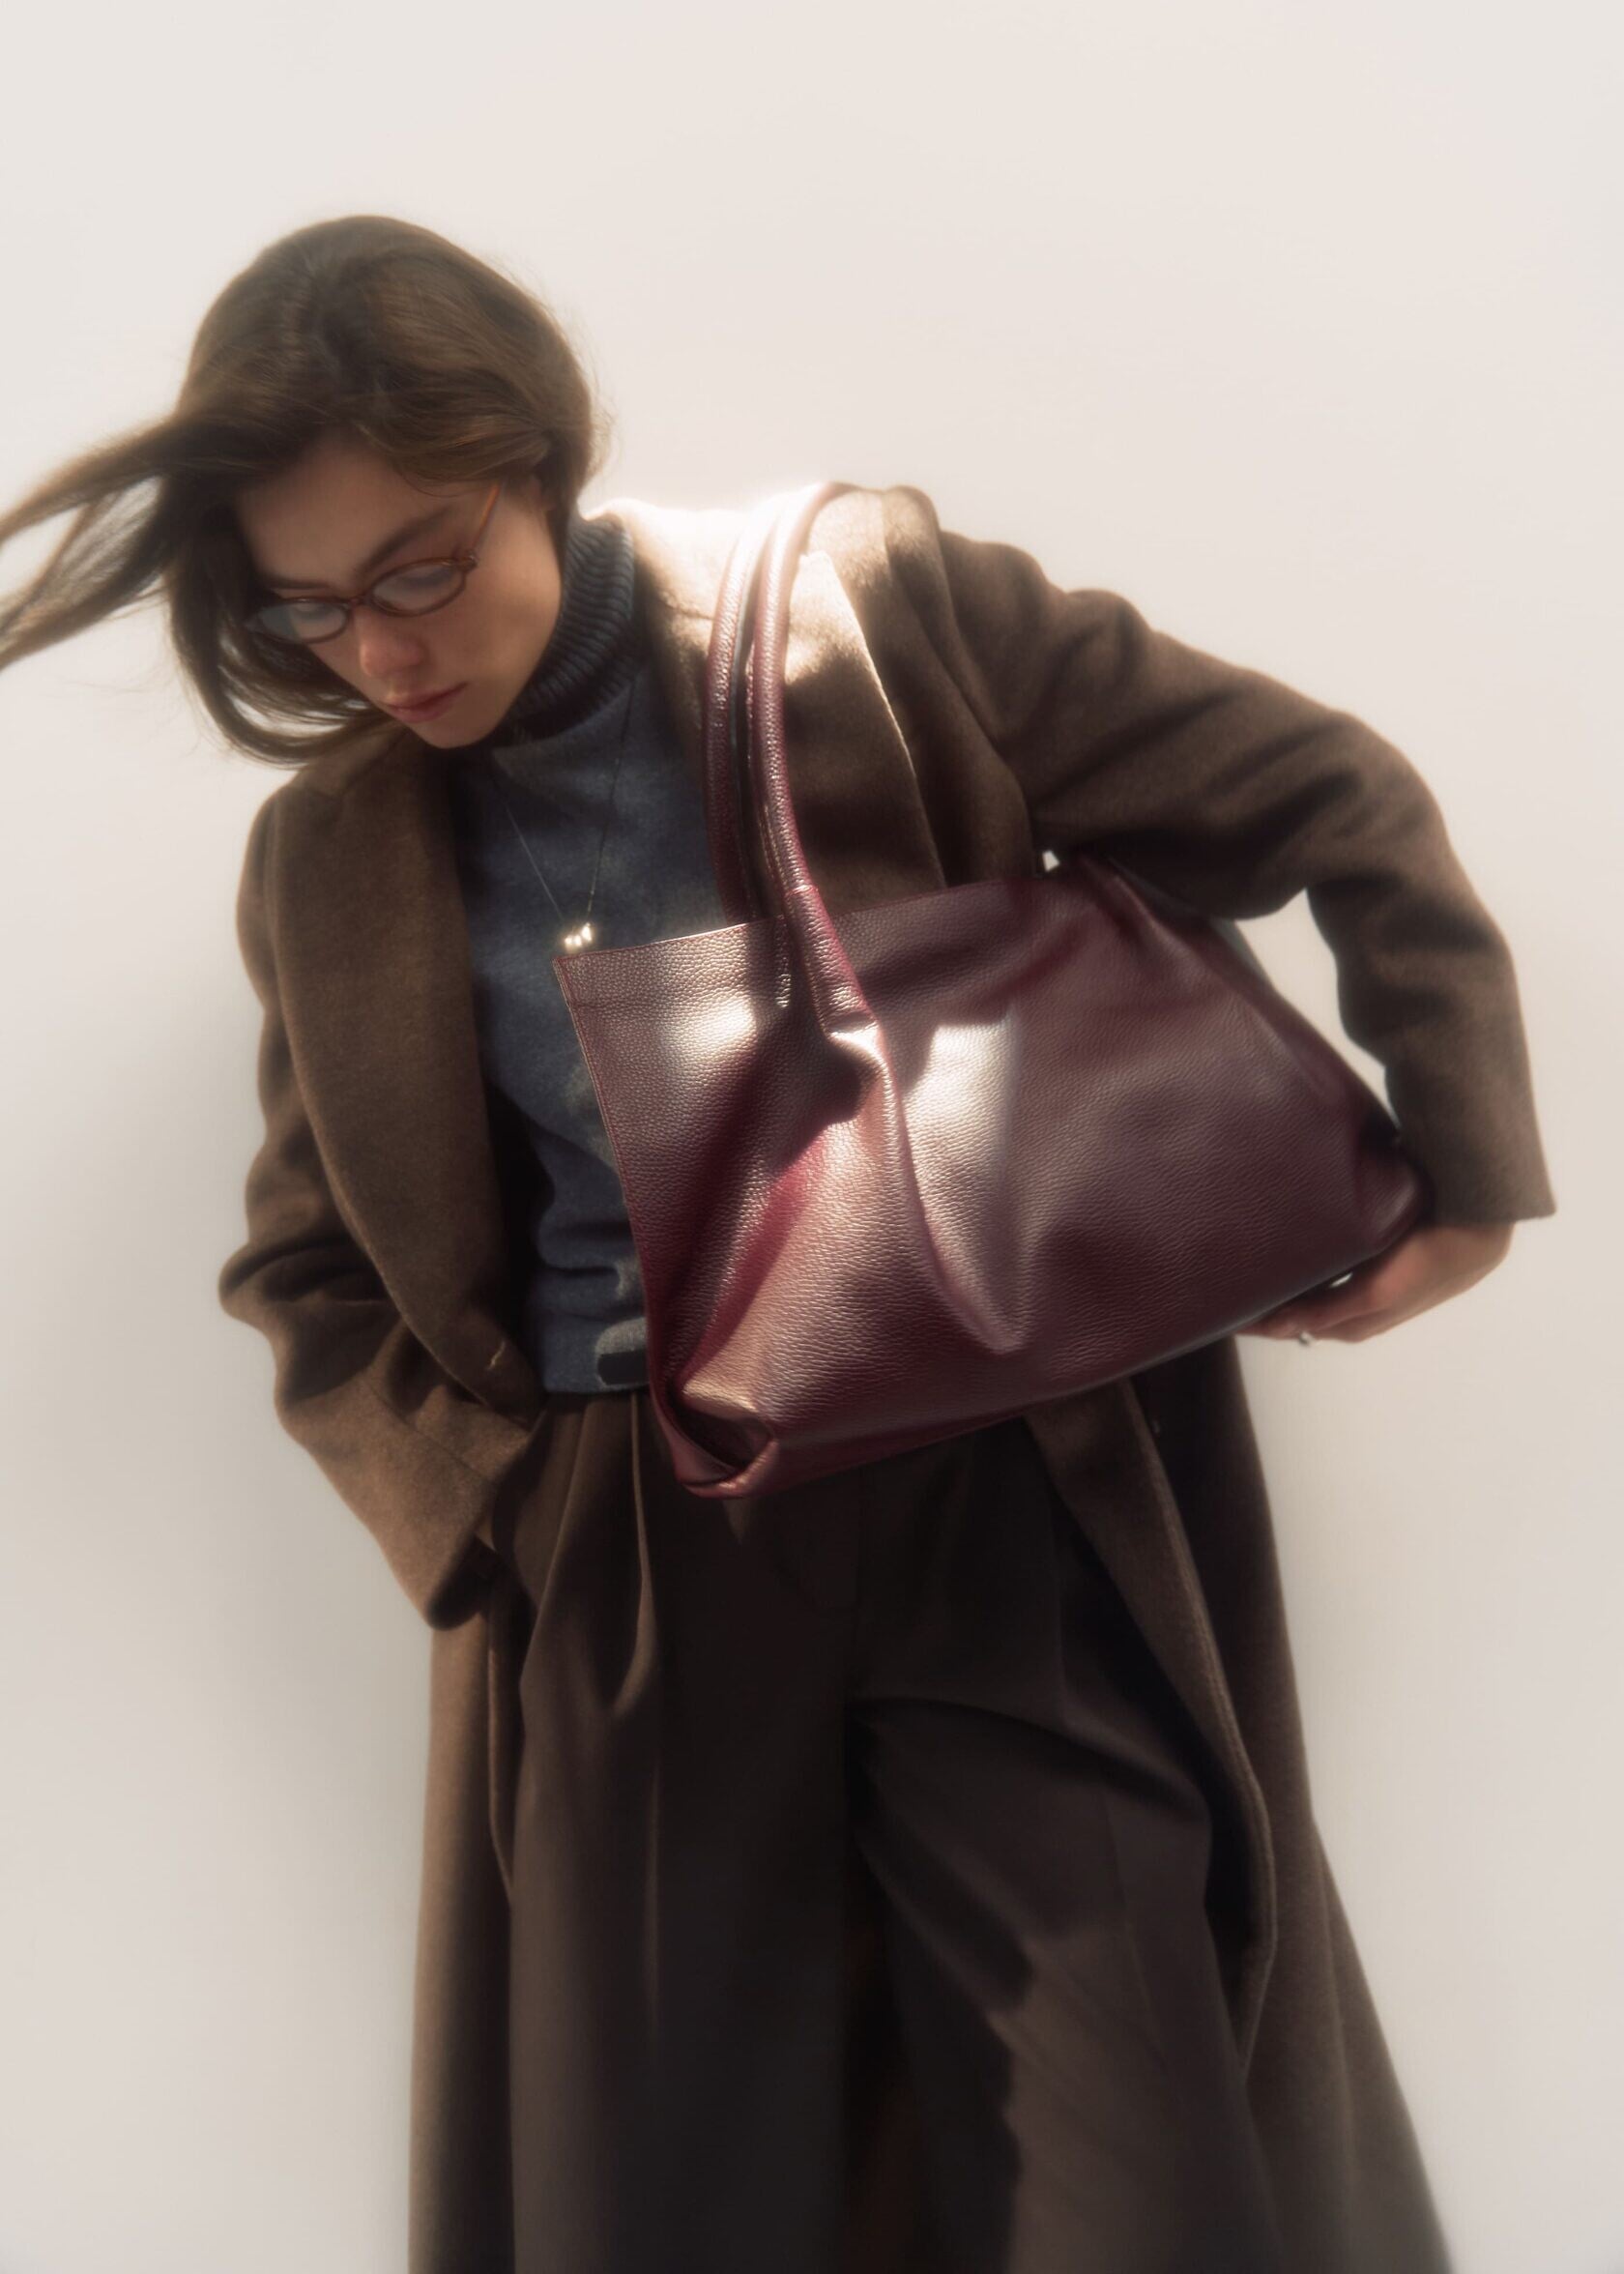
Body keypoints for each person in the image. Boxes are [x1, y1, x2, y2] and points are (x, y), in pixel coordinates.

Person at [1, 212, 1554, 2273]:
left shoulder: (871, 614)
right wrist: (495, 1530)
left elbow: (1325, 794)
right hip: (630, 1550)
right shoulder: (330, 853)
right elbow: (308, 1267)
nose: (380, 652)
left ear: (540, 459)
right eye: (308, 612)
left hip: (1000, 1498)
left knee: (1138, 2172)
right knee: (673, 2198)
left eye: (421, 569)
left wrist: (1463, 1159)